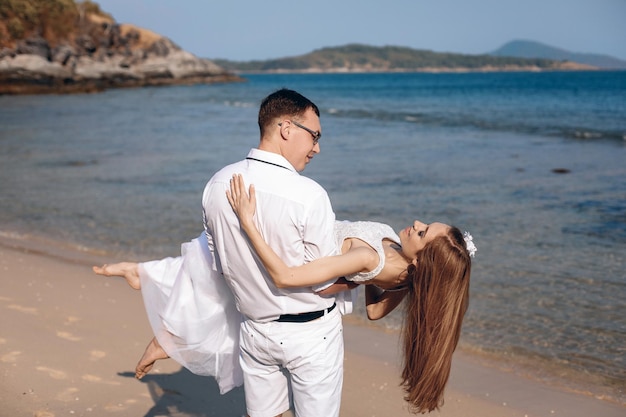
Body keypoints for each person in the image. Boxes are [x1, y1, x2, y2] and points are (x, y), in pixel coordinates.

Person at [94, 176, 475, 414]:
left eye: (423, 233)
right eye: (427, 224)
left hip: (292, 263)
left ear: (423, 265)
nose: (418, 224)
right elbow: (375, 311)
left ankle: (159, 311)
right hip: (303, 261)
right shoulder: (400, 271)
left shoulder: (369, 257)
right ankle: (150, 289)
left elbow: (286, 275)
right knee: (214, 266)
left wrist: (247, 222)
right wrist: (377, 281)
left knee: (219, 265)